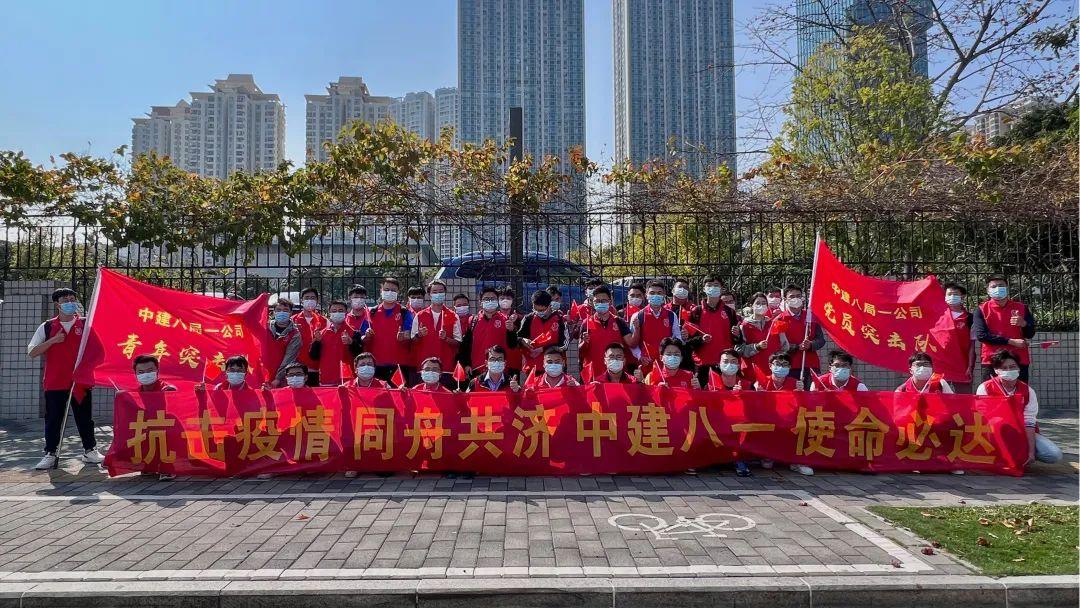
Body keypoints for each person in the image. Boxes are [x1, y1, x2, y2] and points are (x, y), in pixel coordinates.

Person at [28, 288, 103, 470]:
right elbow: (32, 352)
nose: (70, 303)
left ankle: (90, 450)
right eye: (65, 300)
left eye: (72, 299)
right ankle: (50, 453)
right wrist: (53, 341)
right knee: (53, 418)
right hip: (55, 382)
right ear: (57, 304)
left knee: (84, 418)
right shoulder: (47, 327)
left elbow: (98, 352)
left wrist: (85, 368)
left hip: (80, 382)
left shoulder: (85, 325)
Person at [977, 351, 1062, 466]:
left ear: (1018, 368)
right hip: (995, 432)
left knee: (1054, 454)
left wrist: (1031, 452)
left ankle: (1024, 454)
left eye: (1012, 367)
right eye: (1004, 368)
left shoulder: (1028, 391)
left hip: (1022, 431)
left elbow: (1029, 423)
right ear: (996, 370)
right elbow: (983, 418)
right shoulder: (985, 388)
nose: (1009, 370)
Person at [753, 352, 812, 476]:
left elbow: (803, 406)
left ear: (790, 367)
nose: (781, 367)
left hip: (789, 419)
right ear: (770, 366)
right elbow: (753, 405)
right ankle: (767, 455)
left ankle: (797, 461)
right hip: (767, 418)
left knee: (803, 425)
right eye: (778, 364)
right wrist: (758, 393)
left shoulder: (796, 383)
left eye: (785, 364)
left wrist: (801, 392)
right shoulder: (761, 382)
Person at [973, 275, 1035, 383]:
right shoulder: (981, 309)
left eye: (1001, 285)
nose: (997, 288)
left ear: (1007, 288)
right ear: (988, 290)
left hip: (1018, 359)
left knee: (1019, 391)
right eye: (993, 286)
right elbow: (982, 336)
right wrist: (1010, 341)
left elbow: (1030, 334)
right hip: (992, 359)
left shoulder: (1021, 307)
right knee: (992, 391)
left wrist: (1024, 324)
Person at [686, 275, 740, 389]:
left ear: (721, 288)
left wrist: (737, 335)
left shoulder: (730, 312)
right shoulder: (696, 311)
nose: (713, 288)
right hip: (702, 365)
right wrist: (701, 340)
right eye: (709, 285)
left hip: (724, 365)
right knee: (703, 397)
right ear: (704, 289)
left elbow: (737, 340)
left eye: (716, 285)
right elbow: (689, 341)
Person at [411, 280, 461, 388]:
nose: (438, 294)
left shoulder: (453, 315)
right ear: (429, 294)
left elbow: (458, 343)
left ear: (445, 293)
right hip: (424, 369)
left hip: (446, 369)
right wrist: (419, 335)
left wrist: (446, 338)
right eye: (435, 292)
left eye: (441, 291)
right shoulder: (420, 315)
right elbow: (413, 341)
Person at [459, 287, 518, 377]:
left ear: (497, 301)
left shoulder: (505, 320)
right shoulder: (473, 321)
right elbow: (465, 345)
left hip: (499, 369)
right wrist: (466, 364)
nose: (490, 301)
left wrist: (511, 331)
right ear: (480, 302)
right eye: (486, 299)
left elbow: (512, 345)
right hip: (477, 369)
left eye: (493, 299)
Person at [363, 277, 414, 383]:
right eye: (386, 289)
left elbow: (410, 335)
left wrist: (404, 337)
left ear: (398, 292)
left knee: (400, 393)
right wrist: (366, 336)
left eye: (393, 290)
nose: (390, 292)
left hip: (399, 364)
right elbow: (363, 338)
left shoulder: (405, 312)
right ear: (381, 290)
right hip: (376, 364)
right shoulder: (371, 312)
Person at [577, 286, 633, 382]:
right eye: (597, 301)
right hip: (593, 375)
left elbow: (631, 343)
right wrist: (584, 342)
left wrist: (637, 327)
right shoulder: (586, 323)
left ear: (609, 302)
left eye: (603, 301)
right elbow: (580, 351)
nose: (600, 303)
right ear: (593, 302)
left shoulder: (619, 321)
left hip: (615, 374)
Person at [775, 286, 825, 387]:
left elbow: (821, 340)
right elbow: (778, 345)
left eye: (798, 296)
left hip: (811, 364)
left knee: (812, 393)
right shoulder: (780, 320)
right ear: (785, 299)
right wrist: (797, 347)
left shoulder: (811, 316)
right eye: (792, 296)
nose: (795, 299)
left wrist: (811, 344)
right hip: (789, 366)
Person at [629, 280, 683, 372]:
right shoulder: (638, 316)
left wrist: (674, 356)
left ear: (664, 295)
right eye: (652, 293)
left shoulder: (671, 315)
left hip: (667, 365)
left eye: (659, 293)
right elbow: (632, 343)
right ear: (646, 295)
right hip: (646, 364)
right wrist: (639, 356)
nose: (656, 296)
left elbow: (677, 337)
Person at [309, 300, 364, 386]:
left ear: (346, 313)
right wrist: (317, 342)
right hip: (326, 379)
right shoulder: (322, 333)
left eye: (340, 310)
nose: (337, 313)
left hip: (347, 380)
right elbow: (313, 356)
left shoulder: (354, 332)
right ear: (329, 313)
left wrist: (351, 342)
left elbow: (360, 354)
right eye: (334, 311)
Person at [517, 290, 569, 372]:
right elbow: (517, 338)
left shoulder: (559, 319)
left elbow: (564, 345)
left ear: (549, 306)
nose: (538, 312)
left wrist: (543, 349)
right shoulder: (528, 319)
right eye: (535, 309)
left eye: (541, 310)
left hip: (554, 367)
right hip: (533, 367)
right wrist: (523, 340)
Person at [736, 292, 779, 384]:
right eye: (758, 303)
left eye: (764, 303)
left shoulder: (773, 324)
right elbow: (739, 350)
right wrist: (756, 347)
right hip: (751, 373)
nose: (761, 306)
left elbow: (784, 347)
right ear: (752, 306)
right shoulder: (744, 326)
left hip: (772, 373)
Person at [942, 282, 977, 392]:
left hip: (962, 364)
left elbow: (972, 345)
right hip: (941, 364)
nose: (952, 297)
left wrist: (970, 366)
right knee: (939, 396)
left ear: (962, 297)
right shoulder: (938, 316)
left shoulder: (970, 318)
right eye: (949, 294)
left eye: (955, 294)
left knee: (964, 397)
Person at [262, 297, 302, 388]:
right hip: (263, 373)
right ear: (274, 312)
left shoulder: (295, 334)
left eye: (285, 310)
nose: (282, 312)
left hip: (282, 377)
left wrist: (277, 379)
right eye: (278, 310)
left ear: (291, 313)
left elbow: (289, 359)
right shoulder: (265, 327)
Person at [292, 287, 326, 386]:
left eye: (312, 298)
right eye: (306, 298)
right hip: (297, 370)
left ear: (317, 300)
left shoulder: (324, 321)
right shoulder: (293, 320)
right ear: (301, 300)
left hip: (317, 369)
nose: (310, 300)